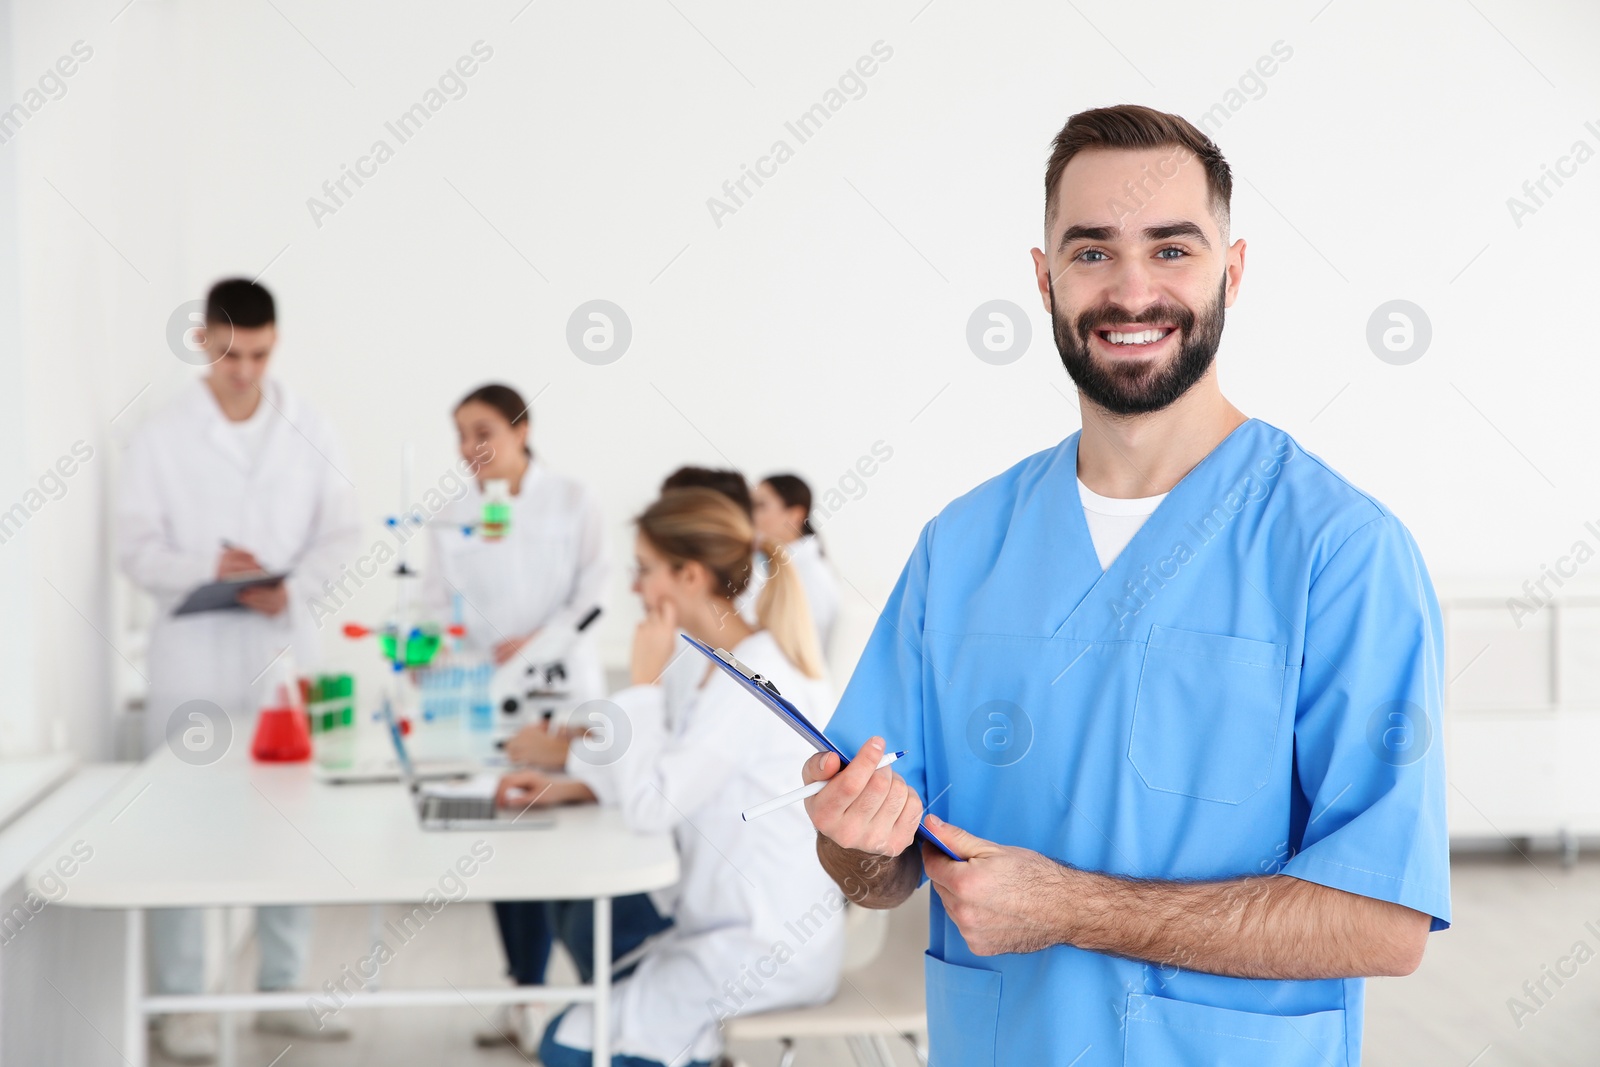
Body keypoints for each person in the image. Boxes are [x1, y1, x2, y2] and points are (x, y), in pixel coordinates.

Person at [801, 104, 1450, 1066]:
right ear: (1044, 277)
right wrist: (854, 839)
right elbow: (877, 867)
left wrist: (1073, 908)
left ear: (1231, 272)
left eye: (1172, 249)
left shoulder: (1341, 552)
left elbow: (1383, 922)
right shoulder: (964, 545)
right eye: (1093, 252)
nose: (1133, 290)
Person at [496, 487, 844, 1067]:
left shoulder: (748, 681)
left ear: (689, 576)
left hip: (761, 946)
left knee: (570, 1046)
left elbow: (652, 805)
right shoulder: (732, 665)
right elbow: (673, 773)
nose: (633, 587)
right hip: (731, 928)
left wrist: (642, 684)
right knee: (583, 1014)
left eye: (644, 570)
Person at [116, 279, 361, 1062]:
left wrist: (291, 586)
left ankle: (282, 985)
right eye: (229, 354)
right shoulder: (160, 436)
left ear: (274, 344)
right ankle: (181, 1001)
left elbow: (343, 534)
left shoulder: (309, 425)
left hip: (279, 643)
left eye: (258, 353)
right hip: (192, 647)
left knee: (290, 816)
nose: (244, 370)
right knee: (181, 819)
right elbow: (134, 549)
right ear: (202, 341)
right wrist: (205, 563)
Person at [416, 383, 612, 1052]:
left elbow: (596, 593)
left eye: (482, 430)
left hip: (562, 696)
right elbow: (434, 604)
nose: (469, 447)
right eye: (460, 433)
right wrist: (421, 650)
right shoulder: (451, 511)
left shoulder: (572, 499)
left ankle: (586, 993)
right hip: (489, 696)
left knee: (565, 843)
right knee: (504, 836)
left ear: (521, 429)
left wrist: (537, 643)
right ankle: (522, 990)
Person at [752, 474, 839, 659]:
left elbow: (800, 651)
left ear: (795, 515)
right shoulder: (770, 567)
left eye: (760, 506)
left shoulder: (812, 578)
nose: (751, 516)